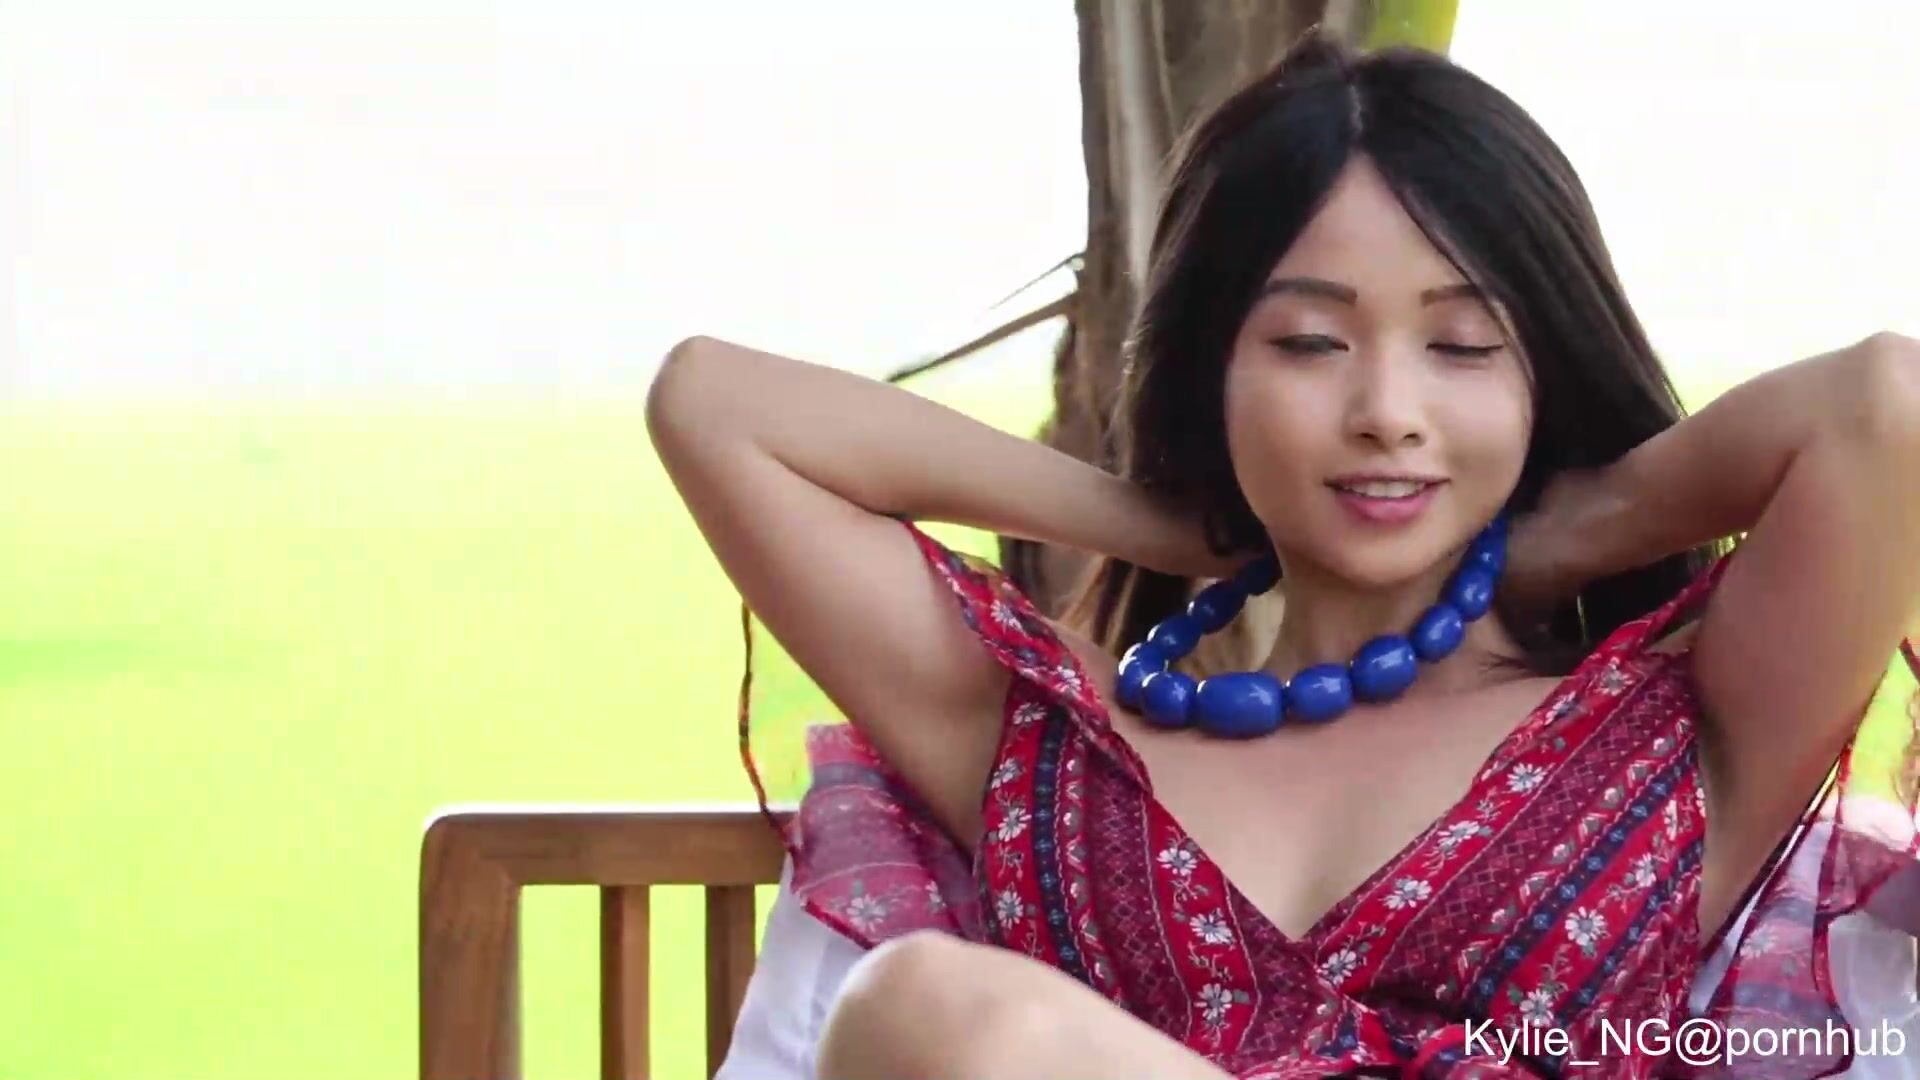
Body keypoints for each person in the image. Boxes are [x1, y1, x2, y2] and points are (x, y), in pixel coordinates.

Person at [649, 31, 1920, 1080]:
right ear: (1213, 370)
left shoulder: (1672, 737)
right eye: (1310, 343)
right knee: (923, 1009)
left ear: (1541, 379)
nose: (1386, 411)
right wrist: (1179, 519)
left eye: (1463, 347)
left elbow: (1888, 406)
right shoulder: (1058, 753)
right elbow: (715, 406)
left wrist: (1560, 535)